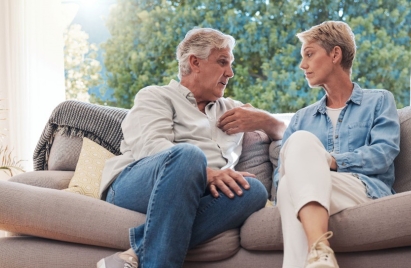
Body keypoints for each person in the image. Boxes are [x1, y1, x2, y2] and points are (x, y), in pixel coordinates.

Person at [96, 28, 284, 268]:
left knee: (253, 190)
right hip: (138, 184)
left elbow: (290, 134)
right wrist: (207, 174)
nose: (231, 73)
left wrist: (265, 121)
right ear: (195, 62)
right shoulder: (156, 96)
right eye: (223, 62)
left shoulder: (233, 109)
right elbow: (152, 147)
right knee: (189, 155)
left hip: (200, 194)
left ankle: (135, 252)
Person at [274, 21, 401, 268]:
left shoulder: (379, 101)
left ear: (335, 54)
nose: (303, 65)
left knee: (293, 180)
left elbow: (383, 154)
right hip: (313, 188)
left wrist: (331, 161)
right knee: (288, 183)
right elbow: (281, 176)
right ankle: (321, 254)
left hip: (364, 190)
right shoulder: (302, 118)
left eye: (309, 54)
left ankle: (319, 251)